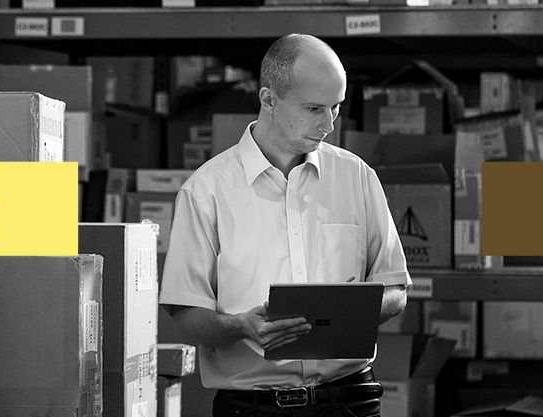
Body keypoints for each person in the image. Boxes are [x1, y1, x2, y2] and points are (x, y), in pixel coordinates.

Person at [159, 33, 411, 417]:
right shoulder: (205, 191)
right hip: (253, 407)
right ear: (269, 100)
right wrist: (241, 327)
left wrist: (355, 311)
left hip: (349, 401)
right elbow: (186, 317)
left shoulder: (357, 177)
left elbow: (396, 288)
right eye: (313, 109)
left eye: (336, 107)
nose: (328, 124)